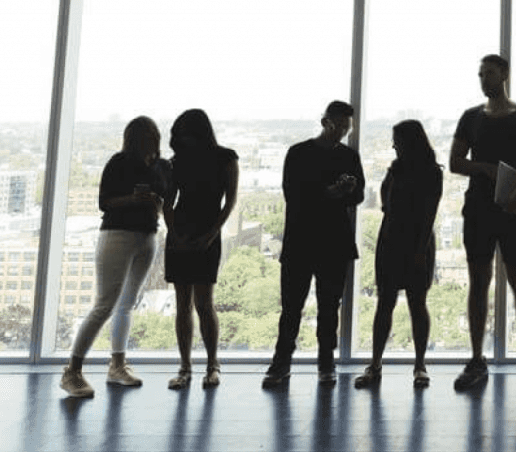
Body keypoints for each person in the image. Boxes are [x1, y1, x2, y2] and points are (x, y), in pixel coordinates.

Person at [449, 54, 516, 391]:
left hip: (513, 208)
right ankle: (477, 360)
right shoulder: (470, 118)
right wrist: (487, 170)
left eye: (488, 73)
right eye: (480, 74)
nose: (483, 79)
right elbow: (455, 162)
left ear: (504, 74)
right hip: (478, 207)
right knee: (479, 281)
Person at [60, 116, 169, 398]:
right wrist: (134, 199)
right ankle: (72, 371)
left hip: (148, 236)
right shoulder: (118, 163)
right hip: (117, 235)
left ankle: (117, 365)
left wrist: (156, 203)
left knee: (127, 304)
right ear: (133, 138)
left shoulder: (162, 166)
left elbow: (167, 200)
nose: (151, 139)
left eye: (153, 134)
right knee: (105, 304)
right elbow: (104, 202)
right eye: (145, 135)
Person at [262, 100, 365, 388]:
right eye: (340, 126)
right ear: (326, 122)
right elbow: (293, 195)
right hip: (321, 241)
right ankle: (308, 363)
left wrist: (343, 192)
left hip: (307, 240)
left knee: (322, 306)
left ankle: (295, 363)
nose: (343, 132)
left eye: (347, 127)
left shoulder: (302, 154)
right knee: (297, 307)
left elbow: (356, 197)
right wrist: (335, 193)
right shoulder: (304, 154)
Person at [355, 120, 443, 389]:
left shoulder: (406, 171)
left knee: (394, 304)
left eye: (397, 140)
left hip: (400, 240)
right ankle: (416, 367)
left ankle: (379, 365)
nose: (393, 145)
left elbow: (421, 213)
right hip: (410, 241)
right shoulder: (429, 172)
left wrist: (418, 249)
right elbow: (426, 214)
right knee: (409, 304)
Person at [163, 108, 239, 390]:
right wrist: (175, 234)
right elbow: (167, 204)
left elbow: (230, 202)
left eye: (187, 134)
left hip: (206, 233)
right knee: (183, 303)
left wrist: (210, 235)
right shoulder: (176, 162)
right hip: (183, 233)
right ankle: (185, 367)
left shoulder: (226, 158)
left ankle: (212, 365)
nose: (184, 140)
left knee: (203, 303)